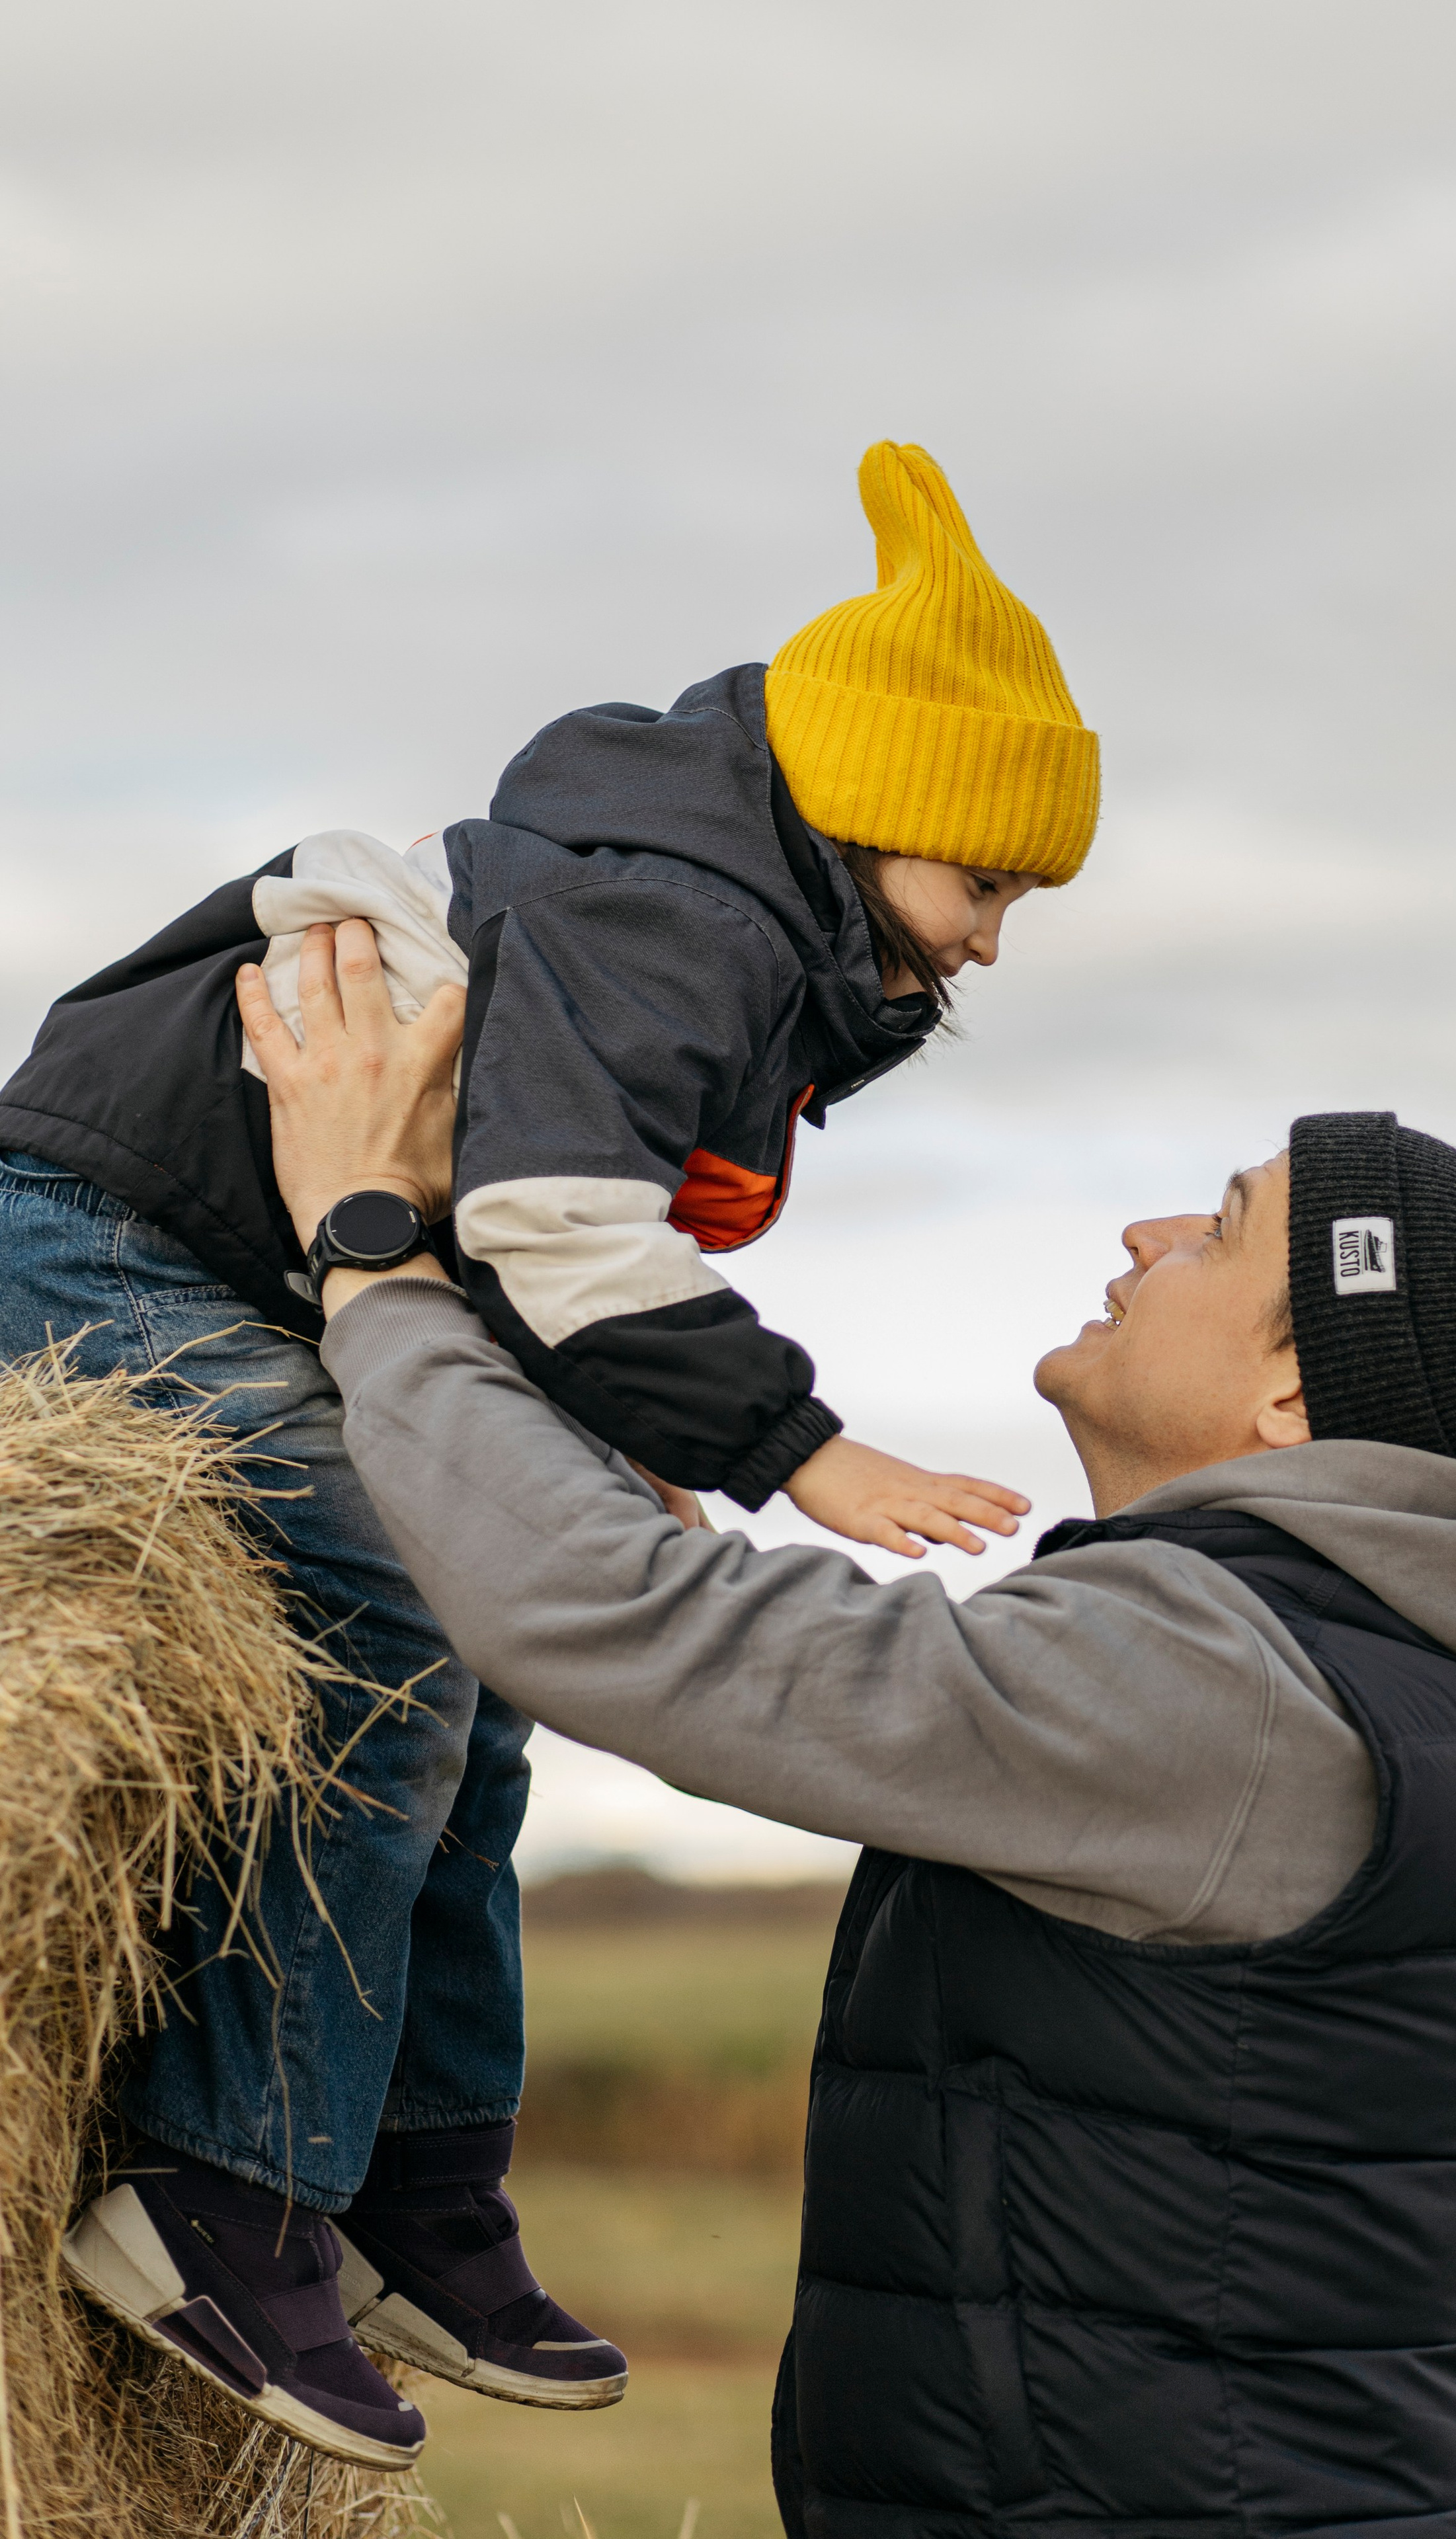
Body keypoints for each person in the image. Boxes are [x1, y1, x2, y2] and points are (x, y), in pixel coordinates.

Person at [75, 922, 1456, 2532]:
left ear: (1291, 1399)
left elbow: (635, 1631)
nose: (1145, 1231)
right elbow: (709, 1629)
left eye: (1220, 1230)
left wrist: (370, 1244)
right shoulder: (1321, 1667)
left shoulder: (1229, 1687)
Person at [21, 444, 1098, 2466]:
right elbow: (553, 1219)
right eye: (987, 887)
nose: (989, 944)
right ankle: (211, 2180)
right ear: (877, 815)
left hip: (277, 1266)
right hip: (106, 1233)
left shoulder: (720, 927)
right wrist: (798, 1448)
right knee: (386, 1604)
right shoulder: (685, 917)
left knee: (493, 1628)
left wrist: (590, 1435)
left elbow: (510, 1209)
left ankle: (416, 2177)